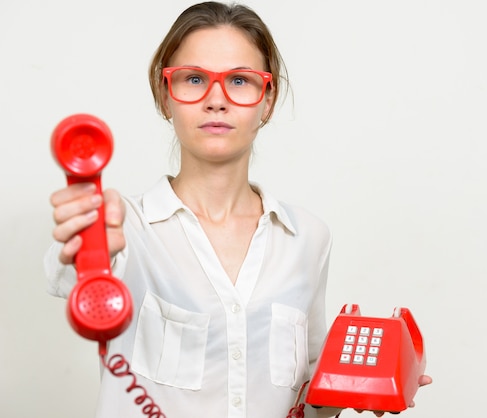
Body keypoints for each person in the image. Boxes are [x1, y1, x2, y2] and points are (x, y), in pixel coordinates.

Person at [44, 2, 431, 417]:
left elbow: (309, 398)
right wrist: (87, 244)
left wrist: (355, 389)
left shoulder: (308, 238)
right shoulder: (125, 228)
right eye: (194, 79)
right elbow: (71, 275)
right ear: (164, 94)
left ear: (267, 100)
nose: (216, 100)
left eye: (240, 81)